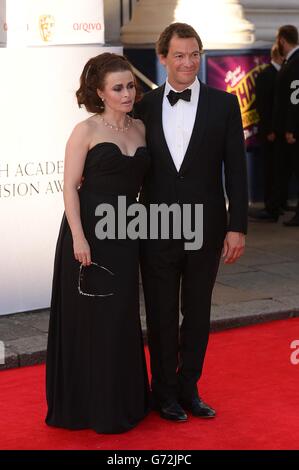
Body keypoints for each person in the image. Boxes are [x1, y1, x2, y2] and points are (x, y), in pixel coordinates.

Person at [135, 23, 248, 422]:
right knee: (161, 312)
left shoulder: (224, 104)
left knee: (197, 312)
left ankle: (189, 388)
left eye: (194, 54)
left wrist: (237, 226)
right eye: (179, 55)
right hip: (157, 228)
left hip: (207, 228)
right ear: (162, 57)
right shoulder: (144, 106)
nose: (188, 62)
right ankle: (162, 392)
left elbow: (236, 169)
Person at [45, 53, 150, 434]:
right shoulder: (85, 131)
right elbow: (70, 188)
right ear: (100, 93)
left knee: (121, 316)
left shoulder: (140, 129)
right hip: (88, 234)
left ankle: (122, 401)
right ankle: (88, 407)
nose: (127, 93)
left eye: (131, 86)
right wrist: (78, 237)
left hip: (127, 233)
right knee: (91, 319)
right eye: (118, 88)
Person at [253, 44, 284, 221]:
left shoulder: (283, 72)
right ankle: (270, 204)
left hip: (279, 131)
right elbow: (263, 106)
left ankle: (278, 202)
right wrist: (269, 130)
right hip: (270, 131)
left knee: (279, 168)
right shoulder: (266, 75)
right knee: (270, 169)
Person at [273, 25, 299, 226]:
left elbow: (294, 98)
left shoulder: (295, 62)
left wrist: (291, 128)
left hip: (294, 129)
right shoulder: (292, 61)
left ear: (282, 40)